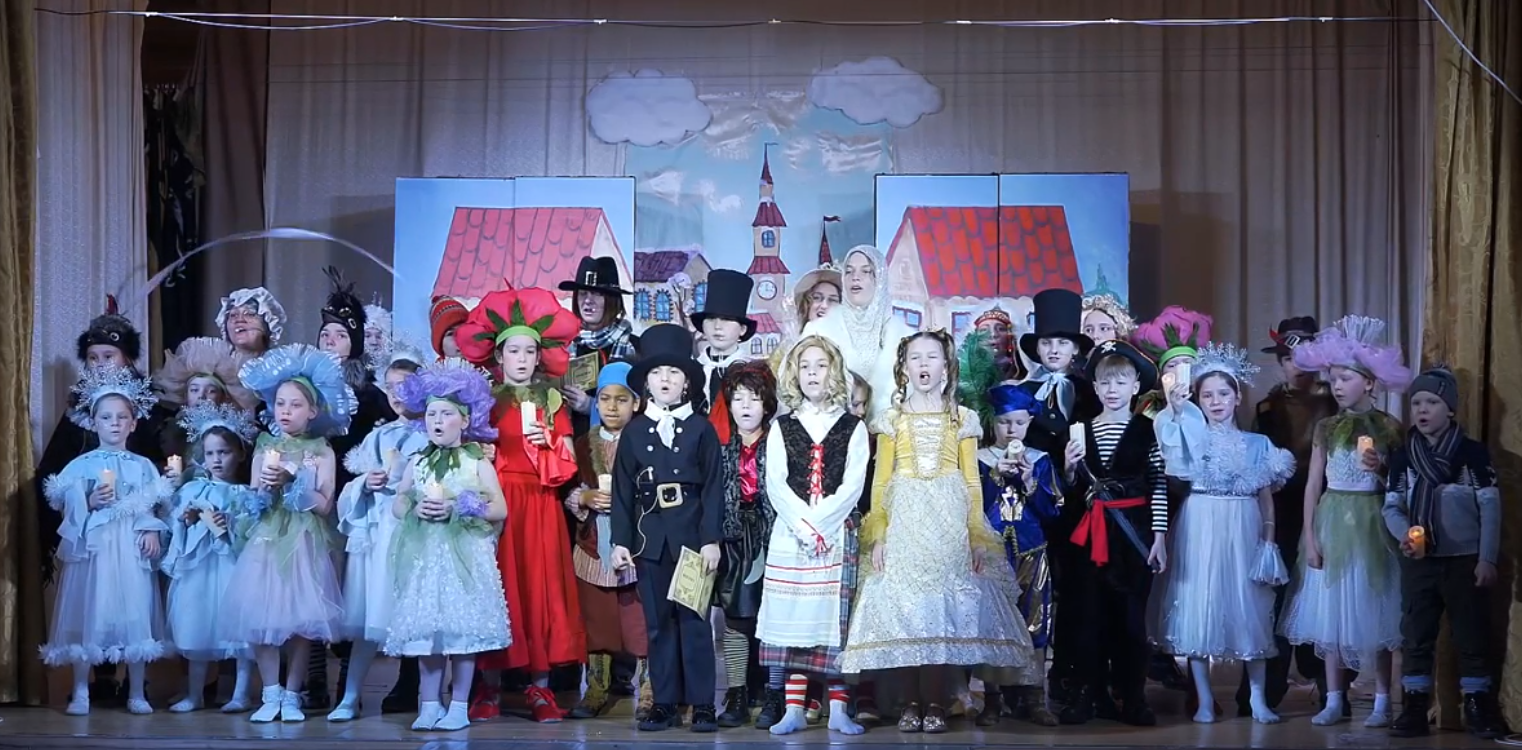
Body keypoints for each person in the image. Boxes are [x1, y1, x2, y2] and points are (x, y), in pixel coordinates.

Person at [839, 331, 1039, 735]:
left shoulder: (960, 418)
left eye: (932, 357)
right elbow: (881, 481)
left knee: (939, 613)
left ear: (946, 367)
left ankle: (936, 701)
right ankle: (909, 702)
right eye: (915, 358)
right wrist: (879, 532)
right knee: (908, 610)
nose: (924, 365)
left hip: (948, 521)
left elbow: (971, 482)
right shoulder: (892, 420)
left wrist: (976, 535)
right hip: (905, 519)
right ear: (904, 368)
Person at [456, 286, 586, 722]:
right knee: (499, 588)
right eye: (514, 350)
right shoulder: (483, 400)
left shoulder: (551, 401)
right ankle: (489, 686)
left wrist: (546, 443)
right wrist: (481, 452)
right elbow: (463, 452)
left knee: (540, 589)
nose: (523, 358)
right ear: (499, 355)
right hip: (498, 500)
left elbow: (567, 462)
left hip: (540, 502)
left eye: (530, 351)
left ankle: (540, 686)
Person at [1150, 343, 1294, 724]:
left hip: (1243, 526)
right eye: (1207, 395)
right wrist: (1177, 415)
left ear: (1237, 397)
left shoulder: (1258, 445)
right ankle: (1203, 700)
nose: (1216, 402)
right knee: (1199, 606)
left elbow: (1265, 496)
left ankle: (1258, 699)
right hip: (1200, 524)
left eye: (1223, 394)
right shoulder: (1189, 438)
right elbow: (1173, 472)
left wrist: (1268, 538)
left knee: (1250, 607)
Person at [1279, 315, 1409, 727]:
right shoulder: (1327, 426)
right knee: (1331, 612)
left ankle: (1383, 700)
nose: (1336, 385)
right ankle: (1334, 698)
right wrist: (1310, 537)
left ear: (1369, 383)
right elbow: (1313, 484)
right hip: (1333, 518)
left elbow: (1401, 484)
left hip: (1373, 522)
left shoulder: (1389, 427)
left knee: (1376, 610)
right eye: (1333, 378)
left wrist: (1381, 469)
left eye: (1345, 378)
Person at [35, 298, 162, 704]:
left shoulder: (145, 411)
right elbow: (57, 475)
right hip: (96, 534)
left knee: (131, 603)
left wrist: (151, 522)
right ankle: (95, 679)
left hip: (132, 532)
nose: (101, 364)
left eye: (109, 356)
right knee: (95, 602)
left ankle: (135, 682)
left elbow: (155, 474)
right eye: (93, 357)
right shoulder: (81, 412)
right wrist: (83, 498)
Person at [219, 344, 355, 723]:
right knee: (261, 617)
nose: (286, 411)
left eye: (295, 405)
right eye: (280, 403)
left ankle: (292, 694)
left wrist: (294, 482)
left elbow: (325, 504)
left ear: (312, 411)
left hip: (304, 541)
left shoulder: (321, 451)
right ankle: (270, 692)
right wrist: (264, 490)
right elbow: (255, 499)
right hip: (267, 538)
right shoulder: (265, 446)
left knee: (300, 620)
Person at [384, 358, 514, 731]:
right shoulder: (418, 462)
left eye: (445, 414)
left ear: (464, 419)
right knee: (429, 633)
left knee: (461, 632)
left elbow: (499, 508)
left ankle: (458, 705)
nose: (437, 421)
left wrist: (460, 506)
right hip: (427, 556)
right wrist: (414, 506)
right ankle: (429, 703)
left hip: (464, 557)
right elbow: (398, 502)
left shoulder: (476, 463)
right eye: (431, 414)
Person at [609, 324, 726, 733]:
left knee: (694, 621)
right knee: (658, 624)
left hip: (692, 538)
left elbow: (714, 487)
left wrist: (711, 539)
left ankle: (703, 704)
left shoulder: (701, 428)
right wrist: (620, 541)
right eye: (657, 372)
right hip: (651, 540)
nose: (665, 380)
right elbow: (623, 490)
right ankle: (664, 702)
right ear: (645, 381)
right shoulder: (634, 431)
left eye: (674, 373)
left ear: (687, 382)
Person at [1383, 367, 1507, 739]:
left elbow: (1490, 508)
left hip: (1463, 560)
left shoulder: (1471, 453)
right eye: (1417, 403)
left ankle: (1478, 706)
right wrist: (1405, 536)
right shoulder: (1404, 455)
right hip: (1420, 562)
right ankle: (1414, 706)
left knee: (1470, 634)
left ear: (1450, 409)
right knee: (1416, 634)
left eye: (1432, 403)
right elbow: (1391, 507)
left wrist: (1486, 558)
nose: (1422, 410)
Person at [756, 337, 870, 737]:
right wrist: (804, 526)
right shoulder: (782, 427)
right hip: (793, 534)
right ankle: (794, 708)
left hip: (835, 533)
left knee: (833, 624)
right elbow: (776, 484)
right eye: (805, 366)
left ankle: (838, 708)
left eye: (820, 366)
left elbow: (853, 485)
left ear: (833, 372)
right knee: (794, 621)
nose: (812, 374)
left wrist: (821, 523)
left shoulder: (853, 427)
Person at [1055, 339, 1168, 727]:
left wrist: (1159, 536)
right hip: (1090, 536)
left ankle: (1133, 697)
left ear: (1136, 386)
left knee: (1131, 620)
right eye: (1106, 382)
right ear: (1095, 387)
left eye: (1121, 382)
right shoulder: (1080, 430)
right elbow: (1070, 491)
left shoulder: (1148, 430)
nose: (1113, 390)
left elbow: (1157, 483)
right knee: (1089, 617)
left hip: (1133, 535)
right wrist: (1069, 468)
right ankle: (1088, 694)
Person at [1238, 316, 1341, 716]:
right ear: (1280, 363)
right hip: (1281, 509)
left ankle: (1332, 687)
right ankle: (1266, 688)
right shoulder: (1268, 408)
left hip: (1327, 506)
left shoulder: (1335, 402)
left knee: (1325, 593)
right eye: (1288, 358)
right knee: (1276, 595)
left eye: (1304, 357)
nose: (1296, 365)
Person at [326, 348, 432, 722]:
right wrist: (365, 484)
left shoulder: (432, 432)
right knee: (370, 614)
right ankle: (349, 696)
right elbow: (351, 490)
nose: (397, 394)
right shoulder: (379, 436)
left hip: (416, 530)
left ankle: (428, 699)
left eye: (405, 386)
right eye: (390, 387)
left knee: (417, 613)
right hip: (380, 531)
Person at [565, 362, 652, 720]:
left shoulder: (646, 441)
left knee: (639, 620)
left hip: (637, 546)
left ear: (637, 403)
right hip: (594, 544)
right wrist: (583, 499)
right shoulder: (583, 444)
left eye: (621, 399)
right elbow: (567, 486)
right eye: (604, 399)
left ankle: (649, 689)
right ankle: (596, 687)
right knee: (596, 618)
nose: (612, 407)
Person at [161, 403, 260, 714]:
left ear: (240, 454)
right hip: (200, 569)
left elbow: (251, 534)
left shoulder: (245, 494)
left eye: (224, 452)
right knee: (197, 623)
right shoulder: (192, 489)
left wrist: (228, 523)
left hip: (231, 568)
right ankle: (194, 694)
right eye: (210, 453)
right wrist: (187, 520)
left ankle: (241, 693)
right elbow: (174, 524)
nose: (217, 459)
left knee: (241, 627)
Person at [976, 384, 1062, 726]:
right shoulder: (980, 459)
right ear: (993, 423)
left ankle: (1034, 697)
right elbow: (972, 506)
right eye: (1004, 422)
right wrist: (996, 477)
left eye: (1019, 423)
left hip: (1031, 550)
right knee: (992, 622)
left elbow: (1053, 510)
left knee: (1035, 621)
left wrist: (1029, 483)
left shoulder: (1040, 460)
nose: (1011, 429)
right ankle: (992, 699)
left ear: (1029, 423)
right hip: (993, 553)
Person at [713, 362, 778, 728]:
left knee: (774, 617)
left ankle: (774, 693)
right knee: (736, 616)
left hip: (772, 536)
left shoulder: (780, 441)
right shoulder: (721, 446)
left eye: (754, 398)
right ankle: (736, 693)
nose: (746, 406)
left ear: (767, 403)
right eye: (738, 398)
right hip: (734, 537)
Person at [801, 245, 914, 425]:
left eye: (866, 271)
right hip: (831, 432)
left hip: (891, 434)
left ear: (880, 279)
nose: (855, 277)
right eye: (849, 271)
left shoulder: (905, 338)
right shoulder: (818, 331)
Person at [558, 256, 639, 437]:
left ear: (612, 299)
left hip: (618, 445)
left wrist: (591, 406)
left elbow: (642, 407)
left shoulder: (635, 348)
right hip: (571, 444)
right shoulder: (564, 346)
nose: (588, 301)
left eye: (596, 294)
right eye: (583, 293)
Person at [693, 269, 759, 445]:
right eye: (711, 318)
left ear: (742, 329)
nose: (717, 326)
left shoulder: (754, 373)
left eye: (727, 319)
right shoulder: (692, 370)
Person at [216, 286, 286, 360]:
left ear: (268, 325)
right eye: (233, 315)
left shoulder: (283, 364)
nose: (239, 319)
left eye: (250, 314)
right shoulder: (213, 364)